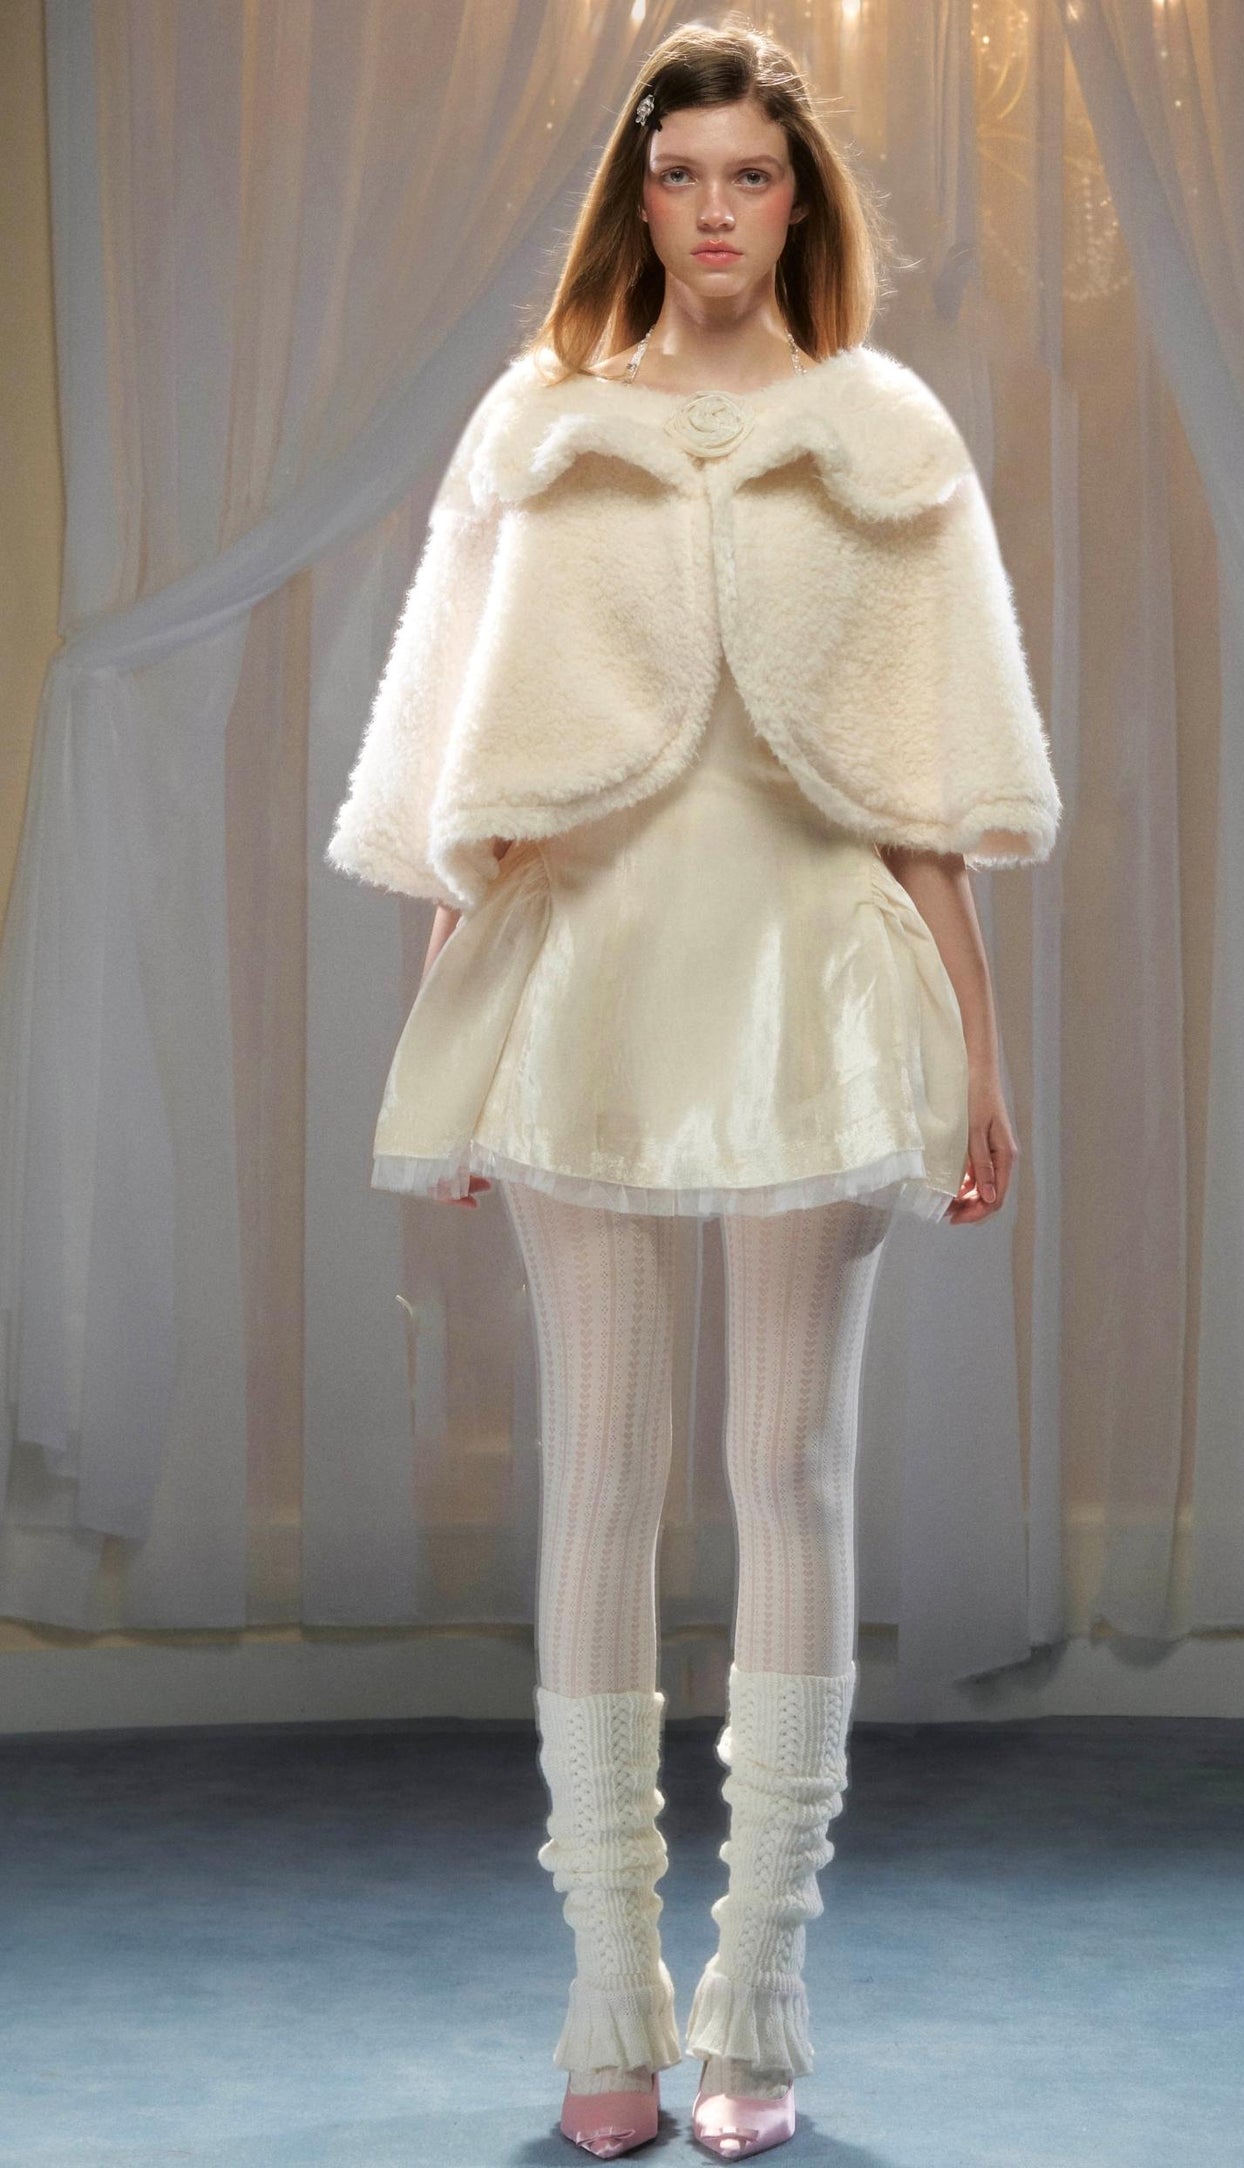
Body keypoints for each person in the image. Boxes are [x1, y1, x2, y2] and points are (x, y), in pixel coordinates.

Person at [327, 18, 1061, 2160]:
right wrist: (450, 1027)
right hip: (587, 985)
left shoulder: (884, 434)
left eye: (752, 174)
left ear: (797, 199)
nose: (716, 210)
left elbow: (925, 781)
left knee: (791, 1465)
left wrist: (979, 1048)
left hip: (817, 982)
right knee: (602, 1466)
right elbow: (467, 763)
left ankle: (760, 1990)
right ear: (636, 197)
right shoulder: (540, 424)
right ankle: (604, 1991)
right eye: (682, 175)